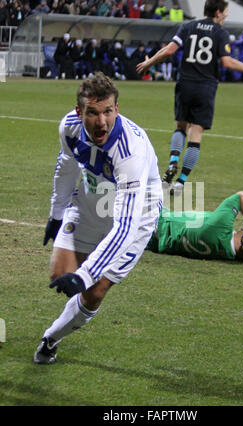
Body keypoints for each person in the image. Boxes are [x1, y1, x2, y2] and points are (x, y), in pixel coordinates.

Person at [33, 72, 163, 364]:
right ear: (79, 112)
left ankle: (50, 339)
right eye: (92, 112)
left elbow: (125, 226)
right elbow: (66, 165)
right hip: (91, 200)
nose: (101, 121)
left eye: (108, 111)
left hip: (137, 215)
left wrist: (85, 275)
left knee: (94, 289)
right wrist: (56, 214)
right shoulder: (69, 127)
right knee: (58, 274)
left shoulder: (131, 152)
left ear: (117, 109)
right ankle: (74, 303)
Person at [136, 0, 243, 195]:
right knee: (196, 134)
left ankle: (173, 161)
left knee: (180, 127)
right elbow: (227, 62)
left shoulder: (188, 26)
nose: (226, 15)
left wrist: (150, 63)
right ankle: (181, 182)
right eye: (225, 12)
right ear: (218, 12)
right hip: (205, 87)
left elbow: (170, 50)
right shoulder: (220, 33)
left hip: (185, 83)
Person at [147, 191, 243, 263]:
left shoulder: (218, 228)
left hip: (152, 218)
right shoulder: (229, 253)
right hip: (152, 241)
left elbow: (241, 197)